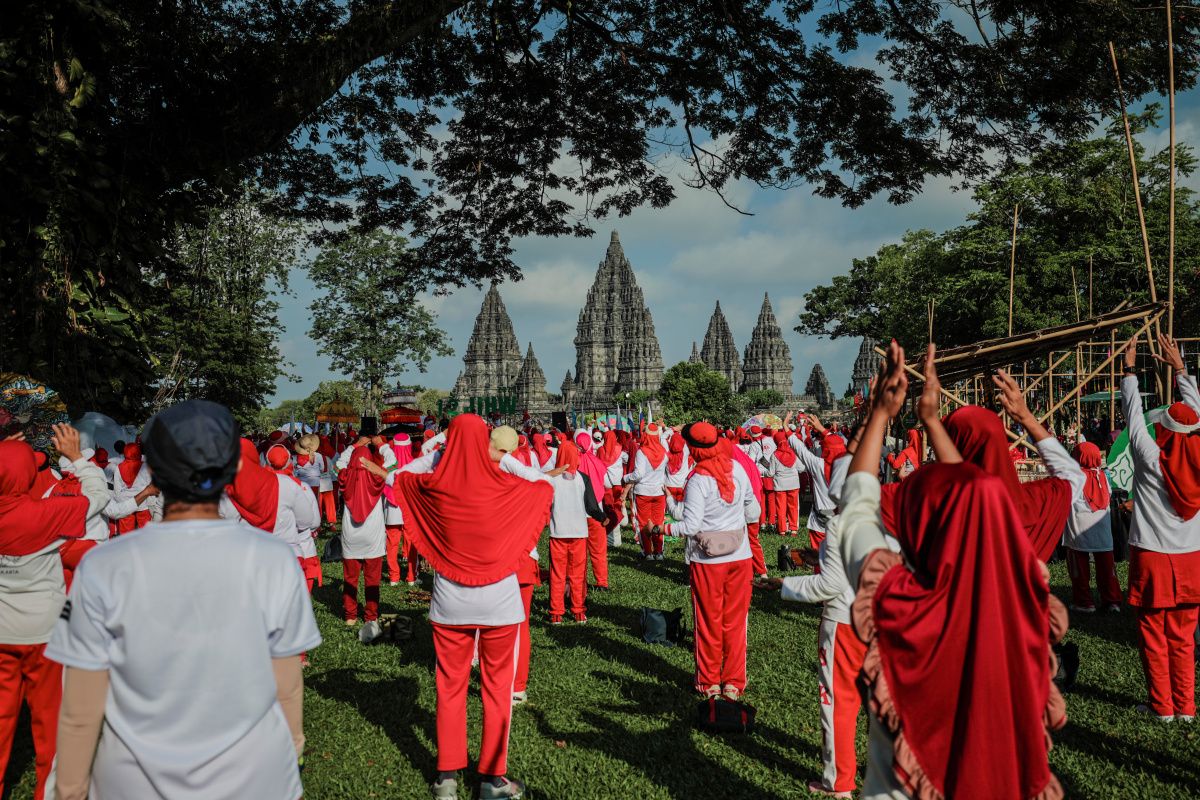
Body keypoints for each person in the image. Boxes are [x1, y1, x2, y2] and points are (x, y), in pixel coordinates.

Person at [47, 401, 320, 800]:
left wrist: (70, 790)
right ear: (231, 471)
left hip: (134, 782)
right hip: (255, 777)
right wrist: (292, 744)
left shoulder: (104, 565)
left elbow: (79, 707)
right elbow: (287, 681)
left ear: (153, 471)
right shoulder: (274, 559)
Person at [836, 341, 1067, 799]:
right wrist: (936, 423)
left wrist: (884, 414)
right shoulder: (1024, 609)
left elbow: (855, 509)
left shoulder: (900, 602)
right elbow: (987, 505)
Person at [391, 414, 552, 800]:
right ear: (487, 443)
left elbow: (399, 477)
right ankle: (492, 779)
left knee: (449, 688)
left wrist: (435, 453)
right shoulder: (505, 485)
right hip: (500, 603)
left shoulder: (435, 487)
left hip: (449, 604)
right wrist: (505, 456)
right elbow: (544, 485)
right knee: (498, 690)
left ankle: (446, 777)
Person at [0, 426, 108, 800]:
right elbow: (98, 496)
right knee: (51, 720)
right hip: (45, 632)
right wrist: (78, 457)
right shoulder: (48, 513)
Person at [1121, 334, 1200, 722]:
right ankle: (1186, 707)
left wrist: (1129, 370)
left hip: (1153, 557)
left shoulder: (1150, 455)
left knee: (1154, 635)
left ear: (1164, 430)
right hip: (1192, 561)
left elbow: (1134, 415)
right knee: (1184, 636)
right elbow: (1196, 415)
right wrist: (1182, 369)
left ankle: (1161, 706)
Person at [665, 422, 759, 700]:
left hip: (707, 561)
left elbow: (691, 526)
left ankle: (709, 682)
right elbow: (752, 508)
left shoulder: (698, 479)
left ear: (693, 449)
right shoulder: (738, 470)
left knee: (708, 621)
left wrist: (663, 528)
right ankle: (733, 682)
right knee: (735, 621)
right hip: (740, 556)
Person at [546, 443, 607, 624]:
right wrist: (602, 517)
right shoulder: (583, 478)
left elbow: (545, 503)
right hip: (579, 533)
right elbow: (591, 506)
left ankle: (556, 612)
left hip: (558, 533)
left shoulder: (552, 479)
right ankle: (578, 610)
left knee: (557, 574)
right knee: (578, 574)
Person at [1065, 441, 1123, 613]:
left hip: (1079, 529)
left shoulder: (1074, 477)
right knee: (1106, 567)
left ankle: (1084, 602)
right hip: (1102, 528)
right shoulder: (1104, 476)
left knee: (1079, 568)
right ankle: (1112, 601)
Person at [339, 444, 387, 641]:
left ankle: (350, 616)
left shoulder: (343, 475)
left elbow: (340, 462)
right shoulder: (377, 476)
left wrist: (352, 446)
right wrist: (382, 446)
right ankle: (371, 616)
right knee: (372, 579)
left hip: (351, 534)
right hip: (373, 534)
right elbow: (392, 464)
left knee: (350, 577)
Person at [623, 422, 669, 560]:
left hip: (643, 492)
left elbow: (638, 474)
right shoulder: (664, 452)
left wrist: (625, 477)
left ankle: (648, 552)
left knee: (643, 523)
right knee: (658, 522)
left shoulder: (641, 452)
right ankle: (659, 552)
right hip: (659, 492)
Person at [574, 431, 612, 591]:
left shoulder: (573, 463)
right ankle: (601, 581)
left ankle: (579, 579)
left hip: (578, 511)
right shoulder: (598, 462)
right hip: (597, 511)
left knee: (579, 551)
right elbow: (608, 484)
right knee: (598, 550)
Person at [766, 431, 801, 536]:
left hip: (780, 485)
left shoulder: (774, 455)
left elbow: (770, 472)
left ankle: (782, 530)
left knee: (781, 508)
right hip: (794, 484)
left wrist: (763, 471)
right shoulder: (793, 453)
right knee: (793, 507)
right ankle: (793, 528)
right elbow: (801, 468)